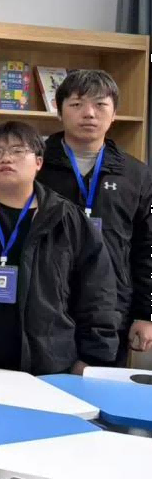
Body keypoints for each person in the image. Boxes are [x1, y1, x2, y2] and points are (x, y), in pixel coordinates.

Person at [0, 121, 119, 374]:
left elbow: (97, 291)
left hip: (44, 362)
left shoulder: (66, 218)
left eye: (18, 150)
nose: (6, 158)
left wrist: (93, 356)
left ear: (38, 162)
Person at [37, 70, 152, 364]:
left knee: (97, 388)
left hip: (110, 309)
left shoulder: (136, 175)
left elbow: (147, 248)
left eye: (100, 104)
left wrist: (146, 314)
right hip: (42, 304)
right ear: (58, 111)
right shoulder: (35, 167)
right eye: (76, 104)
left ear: (114, 114)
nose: (89, 113)